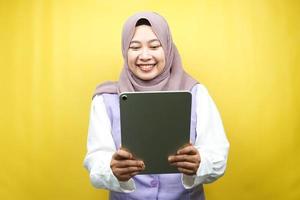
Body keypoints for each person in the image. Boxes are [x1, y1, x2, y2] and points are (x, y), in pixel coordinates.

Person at [83, 11, 229, 200]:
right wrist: (111, 168)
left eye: (154, 46)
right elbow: (96, 160)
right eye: (134, 47)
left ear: (167, 48)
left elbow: (217, 153)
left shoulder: (196, 93)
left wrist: (200, 162)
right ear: (124, 51)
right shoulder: (105, 99)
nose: (145, 56)